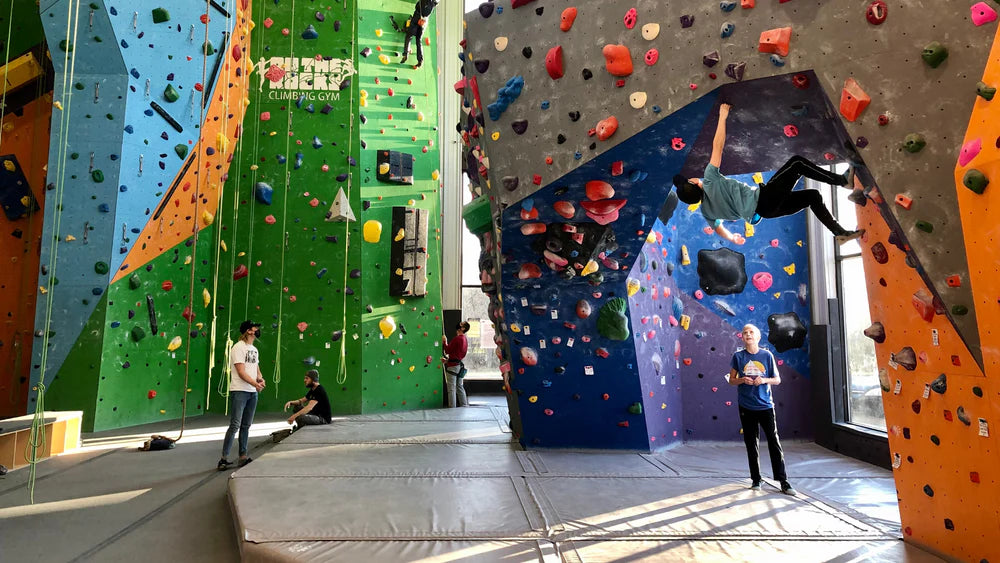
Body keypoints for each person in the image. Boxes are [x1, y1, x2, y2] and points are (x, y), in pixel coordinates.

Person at [673, 103, 864, 246]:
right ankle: (841, 180)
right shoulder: (710, 180)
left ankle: (839, 232)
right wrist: (722, 116)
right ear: (695, 183)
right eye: (690, 180)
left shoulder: (707, 212)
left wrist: (733, 238)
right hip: (763, 200)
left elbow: (719, 229)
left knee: (812, 197)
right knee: (797, 163)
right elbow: (718, 146)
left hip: (766, 212)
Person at [728, 324, 797, 496]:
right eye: (745, 333)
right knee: (751, 443)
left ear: (758, 337)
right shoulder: (738, 356)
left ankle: (783, 481)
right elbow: (731, 380)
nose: (748, 334)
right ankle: (756, 479)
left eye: (751, 332)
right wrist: (742, 380)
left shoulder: (767, 355)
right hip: (746, 406)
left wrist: (764, 380)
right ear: (742, 338)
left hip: (765, 406)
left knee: (774, 442)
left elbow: (777, 379)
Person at [218, 320, 265, 471]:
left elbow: (255, 368)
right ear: (248, 331)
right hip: (240, 391)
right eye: (254, 328)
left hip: (252, 392)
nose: (256, 330)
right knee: (235, 425)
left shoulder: (254, 349)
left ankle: (243, 456)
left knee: (246, 425)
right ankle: (223, 459)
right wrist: (255, 384)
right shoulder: (238, 348)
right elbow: (241, 371)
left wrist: (260, 379)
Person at [391, 0, 439, 67]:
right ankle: (420, 60)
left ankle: (406, 54)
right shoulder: (434, 2)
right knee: (418, 40)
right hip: (424, 19)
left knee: (409, 35)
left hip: (418, 16)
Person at [442, 321, 470, 408]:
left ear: (463, 328)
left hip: (453, 366)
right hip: (459, 365)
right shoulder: (464, 339)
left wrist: (444, 342)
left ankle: (452, 408)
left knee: (451, 389)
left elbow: (447, 350)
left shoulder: (457, 339)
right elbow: (458, 354)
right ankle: (464, 405)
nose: (459, 324)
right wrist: (448, 361)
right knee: (459, 386)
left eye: (461, 324)